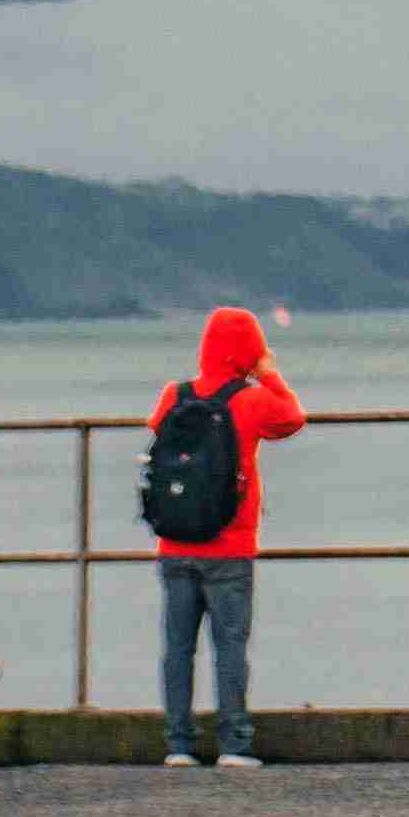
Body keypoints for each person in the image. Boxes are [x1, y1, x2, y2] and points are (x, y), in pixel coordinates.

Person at [142, 307, 303, 769]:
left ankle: (178, 746)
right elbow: (292, 417)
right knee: (229, 646)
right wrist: (267, 372)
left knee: (177, 647)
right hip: (230, 548)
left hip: (174, 545)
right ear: (246, 352)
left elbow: (159, 434)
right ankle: (234, 746)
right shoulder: (249, 401)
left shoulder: (175, 395)